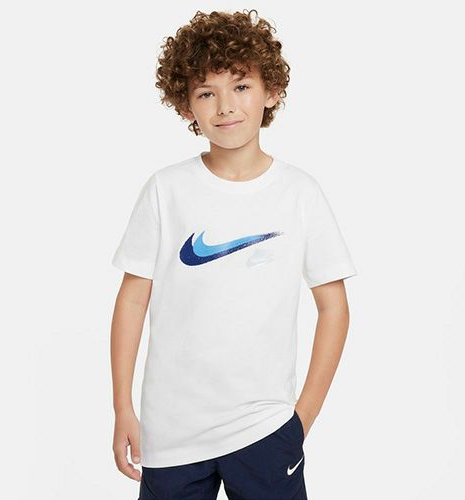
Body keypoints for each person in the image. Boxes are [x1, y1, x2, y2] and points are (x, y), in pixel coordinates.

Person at [110, 9, 357, 500]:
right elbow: (132, 301)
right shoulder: (166, 190)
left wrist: (300, 420)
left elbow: (334, 307)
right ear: (186, 105)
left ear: (271, 91)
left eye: (241, 86)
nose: (225, 106)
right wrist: (122, 408)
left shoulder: (300, 193)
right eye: (207, 93)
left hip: (265, 430)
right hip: (171, 433)